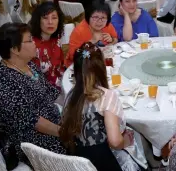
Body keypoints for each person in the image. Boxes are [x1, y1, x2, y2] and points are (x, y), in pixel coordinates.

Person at [0, 23, 66, 166]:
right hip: (33, 142)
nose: (34, 43)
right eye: (29, 40)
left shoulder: (27, 64)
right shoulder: (4, 86)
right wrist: (65, 133)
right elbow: (35, 123)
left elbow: (50, 91)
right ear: (15, 49)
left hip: (52, 117)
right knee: (87, 143)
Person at [60, 42, 142, 171]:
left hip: (77, 162)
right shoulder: (106, 96)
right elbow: (115, 142)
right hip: (103, 163)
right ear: (101, 68)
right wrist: (125, 141)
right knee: (137, 144)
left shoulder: (71, 94)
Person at [65, 1, 117, 67]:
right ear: (88, 17)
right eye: (95, 17)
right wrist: (90, 47)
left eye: (103, 17)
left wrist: (112, 40)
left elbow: (116, 39)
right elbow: (74, 56)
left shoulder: (107, 25)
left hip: (102, 62)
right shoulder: (79, 31)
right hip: (81, 66)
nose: (99, 21)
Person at [30, 2, 65, 88]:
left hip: (60, 83)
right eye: (45, 18)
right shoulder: (32, 45)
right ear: (38, 20)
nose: (50, 22)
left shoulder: (57, 40)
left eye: (54, 18)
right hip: (43, 90)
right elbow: (32, 78)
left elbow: (61, 66)